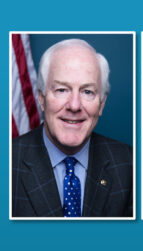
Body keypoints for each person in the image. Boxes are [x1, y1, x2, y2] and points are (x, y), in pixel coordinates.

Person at [12, 39, 133, 217]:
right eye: (62, 90)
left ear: (101, 104)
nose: (74, 105)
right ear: (41, 97)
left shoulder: (132, 165)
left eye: (87, 92)